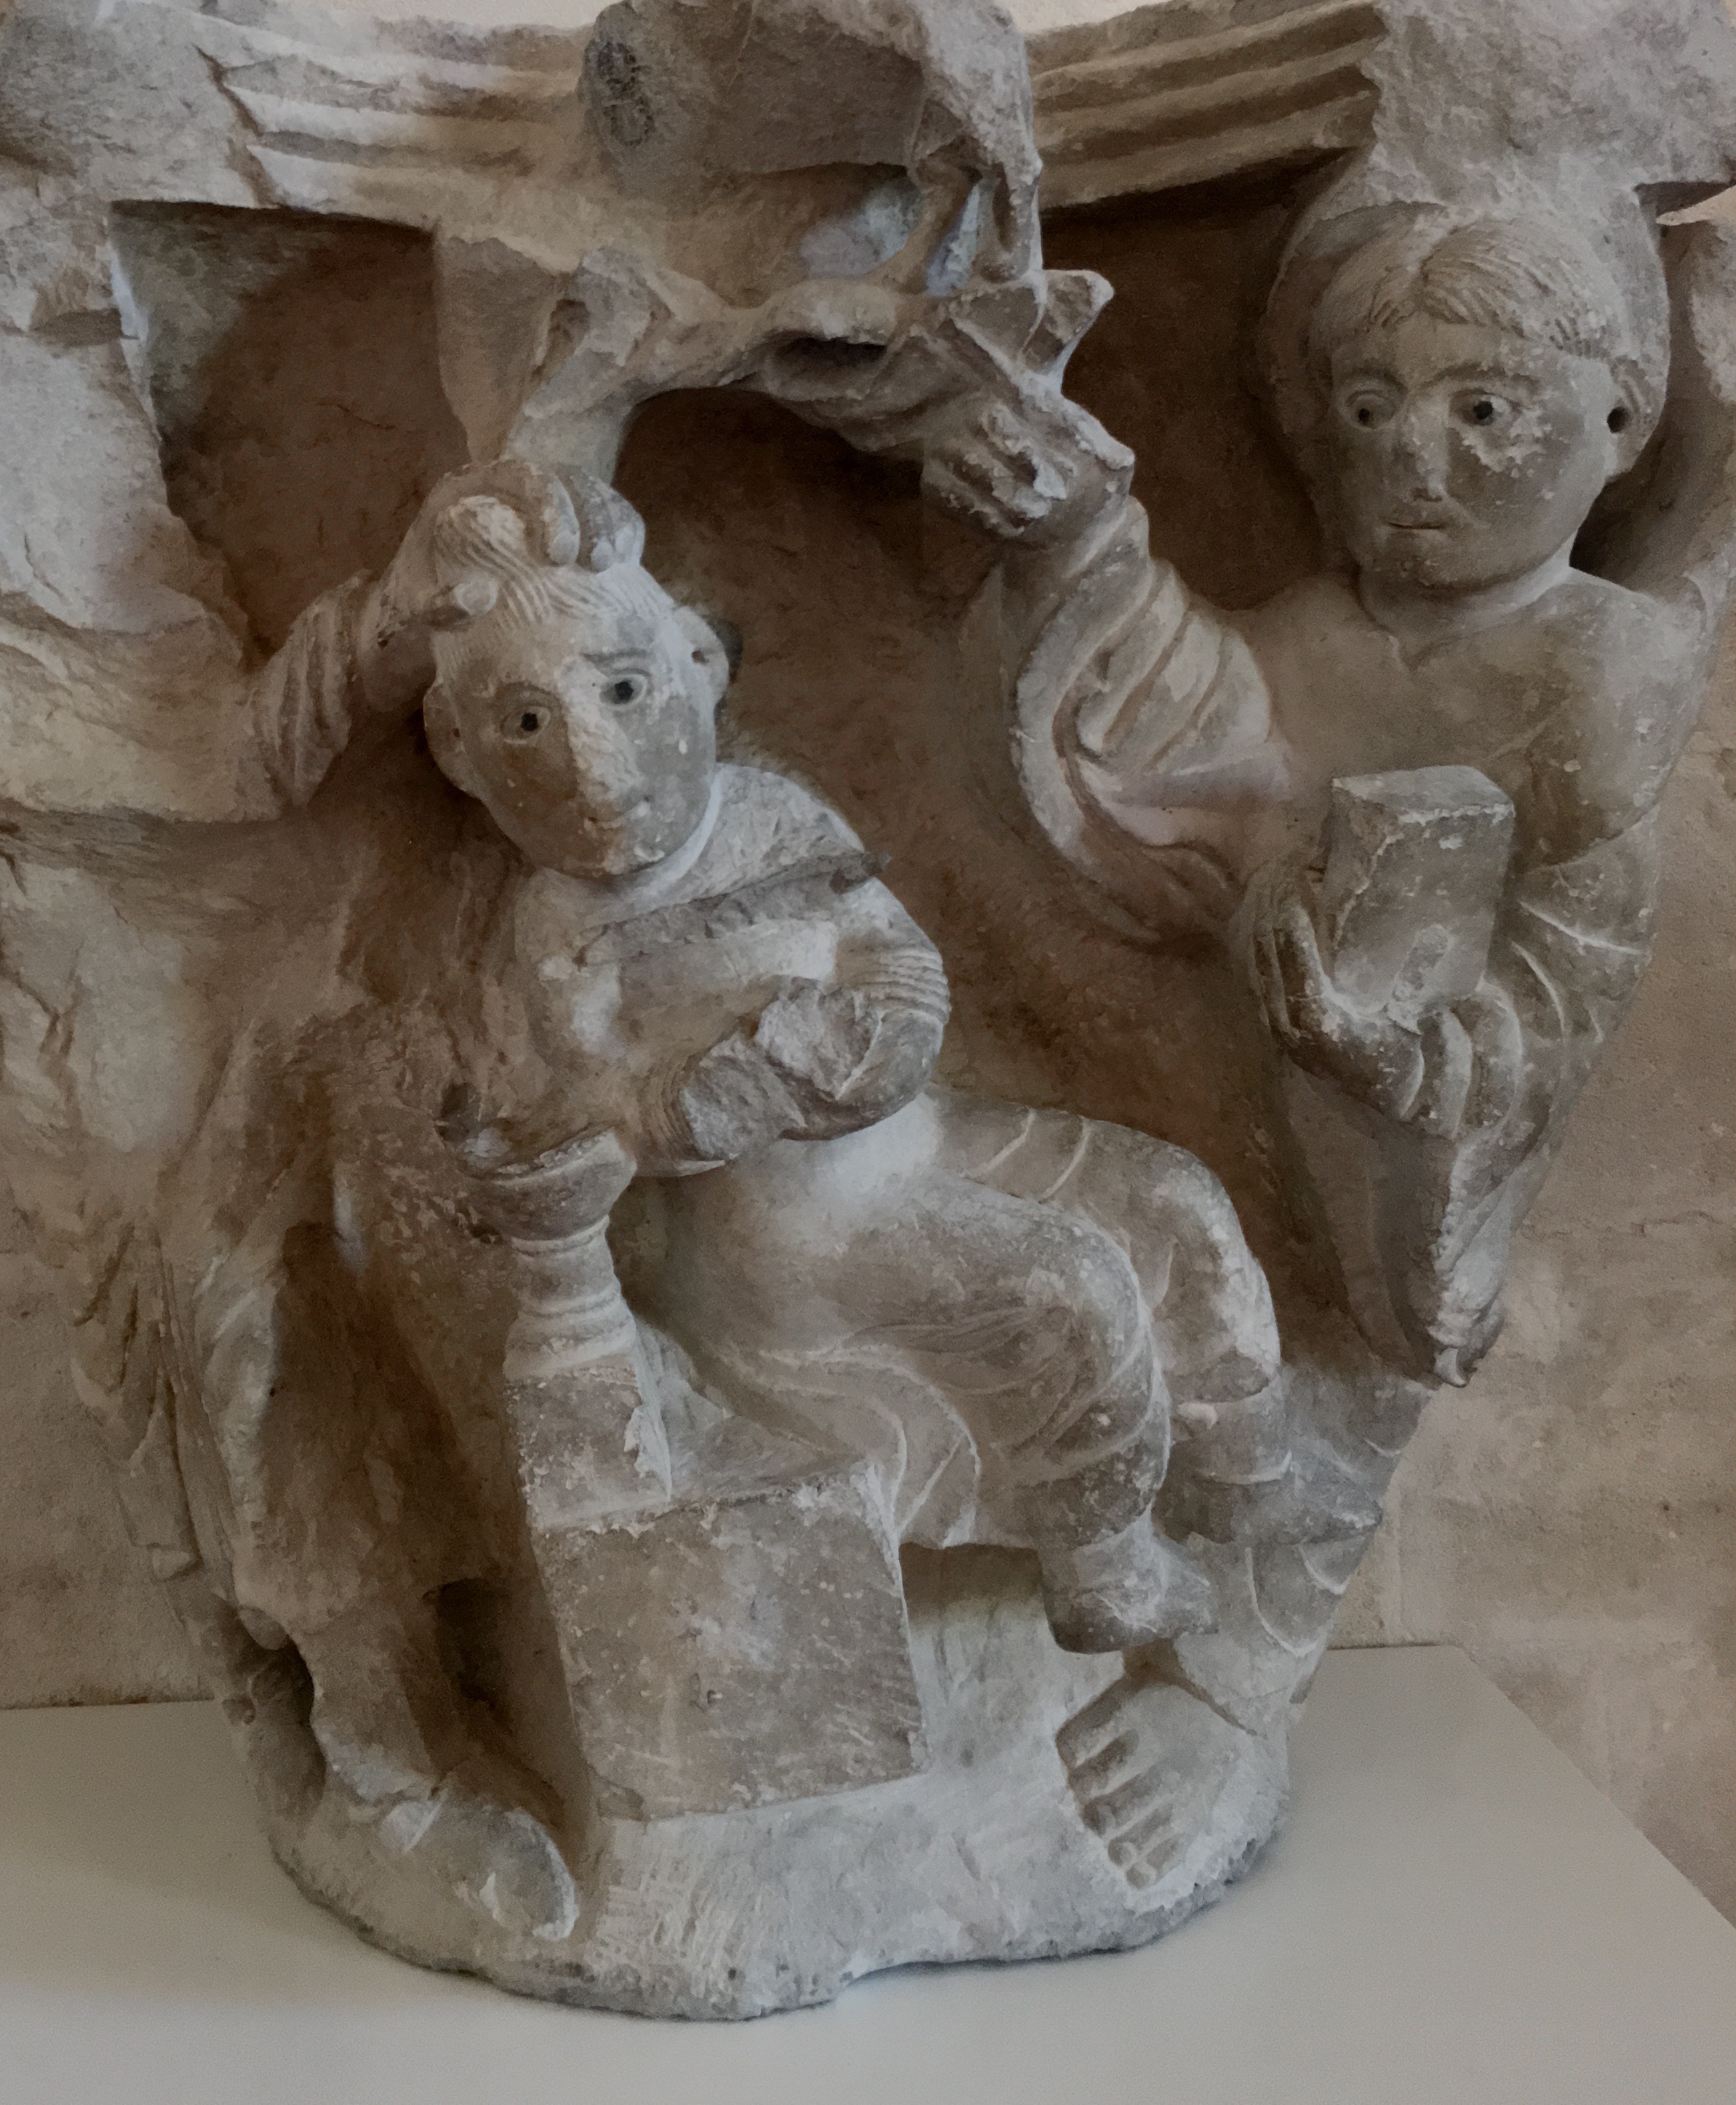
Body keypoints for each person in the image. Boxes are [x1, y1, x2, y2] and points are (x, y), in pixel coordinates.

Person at [408, 463, 1308, 1654]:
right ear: (460, 753)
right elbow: (618, 1118)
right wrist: (735, 1085)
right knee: (1071, 1291)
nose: (593, 759)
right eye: (526, 723)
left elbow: (890, 952)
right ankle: (1104, 1561)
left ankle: (1242, 1481)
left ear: (696, 666)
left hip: (921, 1133)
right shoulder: (561, 933)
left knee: (1176, 1200)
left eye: (623, 689)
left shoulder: (773, 817)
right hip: (797, 1237)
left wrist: (881, 1030)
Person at [940, 205, 1727, 1381]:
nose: (1411, 455)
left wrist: (1393, 1063)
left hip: (1379, 1158)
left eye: (1483, 410)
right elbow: (1192, 720)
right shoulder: (1317, 630)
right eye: (1369, 407)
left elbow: (1556, 1000)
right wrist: (1071, 533)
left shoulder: (1599, 676)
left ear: (1617, 422)